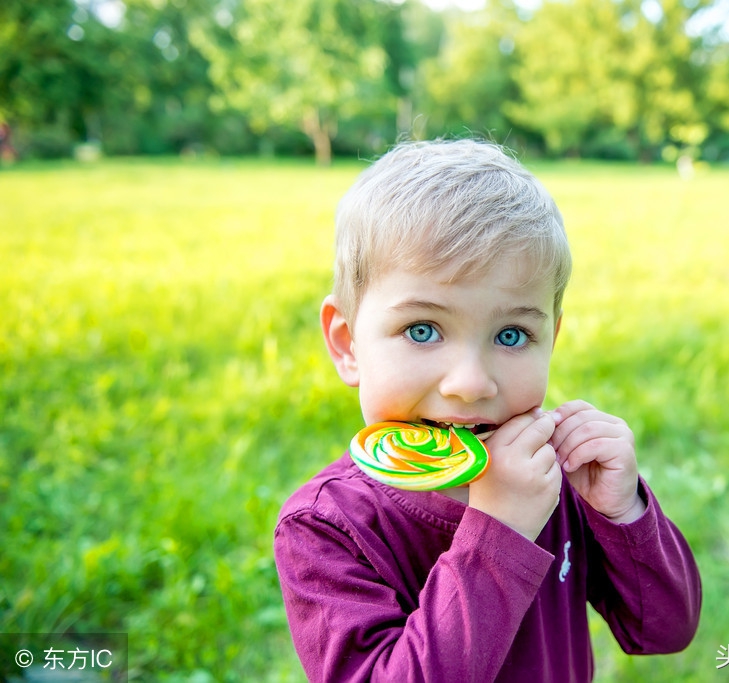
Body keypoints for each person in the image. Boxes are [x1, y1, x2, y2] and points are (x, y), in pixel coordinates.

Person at [274, 139, 701, 682]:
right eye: (422, 330)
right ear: (348, 343)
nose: (471, 383)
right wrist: (499, 531)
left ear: (553, 338)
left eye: (511, 334)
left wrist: (624, 513)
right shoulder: (328, 528)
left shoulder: (554, 477)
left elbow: (662, 630)